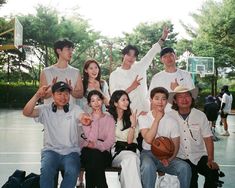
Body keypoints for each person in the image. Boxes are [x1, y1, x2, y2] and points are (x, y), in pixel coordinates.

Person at [23, 81, 91, 188]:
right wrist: (37, 96)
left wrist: (85, 119)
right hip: (51, 151)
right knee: (46, 171)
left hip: (71, 152)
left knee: (73, 171)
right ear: (53, 95)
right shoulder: (45, 109)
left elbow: (82, 116)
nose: (63, 97)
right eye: (59, 94)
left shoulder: (74, 109)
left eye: (66, 94)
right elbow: (26, 112)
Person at [138, 87, 191, 188]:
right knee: (147, 166)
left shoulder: (172, 121)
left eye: (163, 99)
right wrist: (157, 119)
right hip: (148, 154)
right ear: (151, 100)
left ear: (167, 102)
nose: (160, 102)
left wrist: (169, 159)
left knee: (185, 167)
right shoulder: (143, 117)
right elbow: (148, 140)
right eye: (157, 98)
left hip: (166, 156)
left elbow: (176, 145)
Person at [168, 85, 220, 188]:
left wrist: (210, 159)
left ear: (191, 98)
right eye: (180, 97)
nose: (184, 99)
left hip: (199, 156)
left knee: (213, 172)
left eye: (187, 95)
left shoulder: (200, 116)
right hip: (180, 157)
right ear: (175, 101)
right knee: (191, 181)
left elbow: (208, 138)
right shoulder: (169, 117)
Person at [109, 27, 168, 114]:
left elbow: (152, 52)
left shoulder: (140, 66)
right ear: (123, 55)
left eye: (134, 56)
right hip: (129, 113)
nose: (131, 58)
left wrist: (163, 37)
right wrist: (132, 87)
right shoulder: (115, 75)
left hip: (146, 110)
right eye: (129, 55)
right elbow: (115, 96)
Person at [80, 90, 115, 188]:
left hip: (104, 152)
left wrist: (97, 145)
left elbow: (110, 140)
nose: (96, 103)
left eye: (98, 100)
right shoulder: (86, 119)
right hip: (87, 152)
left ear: (102, 101)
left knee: (94, 158)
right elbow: (92, 138)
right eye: (93, 101)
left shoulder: (109, 118)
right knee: (93, 156)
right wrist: (94, 118)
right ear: (89, 104)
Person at [108, 90, 142, 188]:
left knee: (131, 161)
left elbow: (130, 141)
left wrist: (133, 125)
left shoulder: (132, 118)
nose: (126, 102)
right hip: (118, 152)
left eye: (127, 99)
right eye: (123, 100)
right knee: (131, 160)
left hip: (132, 151)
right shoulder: (109, 118)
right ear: (115, 103)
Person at [149, 47, 195, 112]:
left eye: (171, 55)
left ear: (175, 56)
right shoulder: (156, 78)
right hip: (163, 115)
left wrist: (178, 89)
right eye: (165, 56)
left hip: (182, 113)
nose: (168, 58)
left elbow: (192, 96)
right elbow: (151, 99)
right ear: (161, 60)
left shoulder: (186, 75)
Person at [39, 38, 83, 104]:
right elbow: (42, 96)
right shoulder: (46, 72)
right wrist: (52, 88)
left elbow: (80, 95)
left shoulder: (76, 72)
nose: (71, 52)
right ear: (59, 51)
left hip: (70, 112)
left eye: (72, 50)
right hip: (51, 113)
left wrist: (70, 90)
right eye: (68, 49)